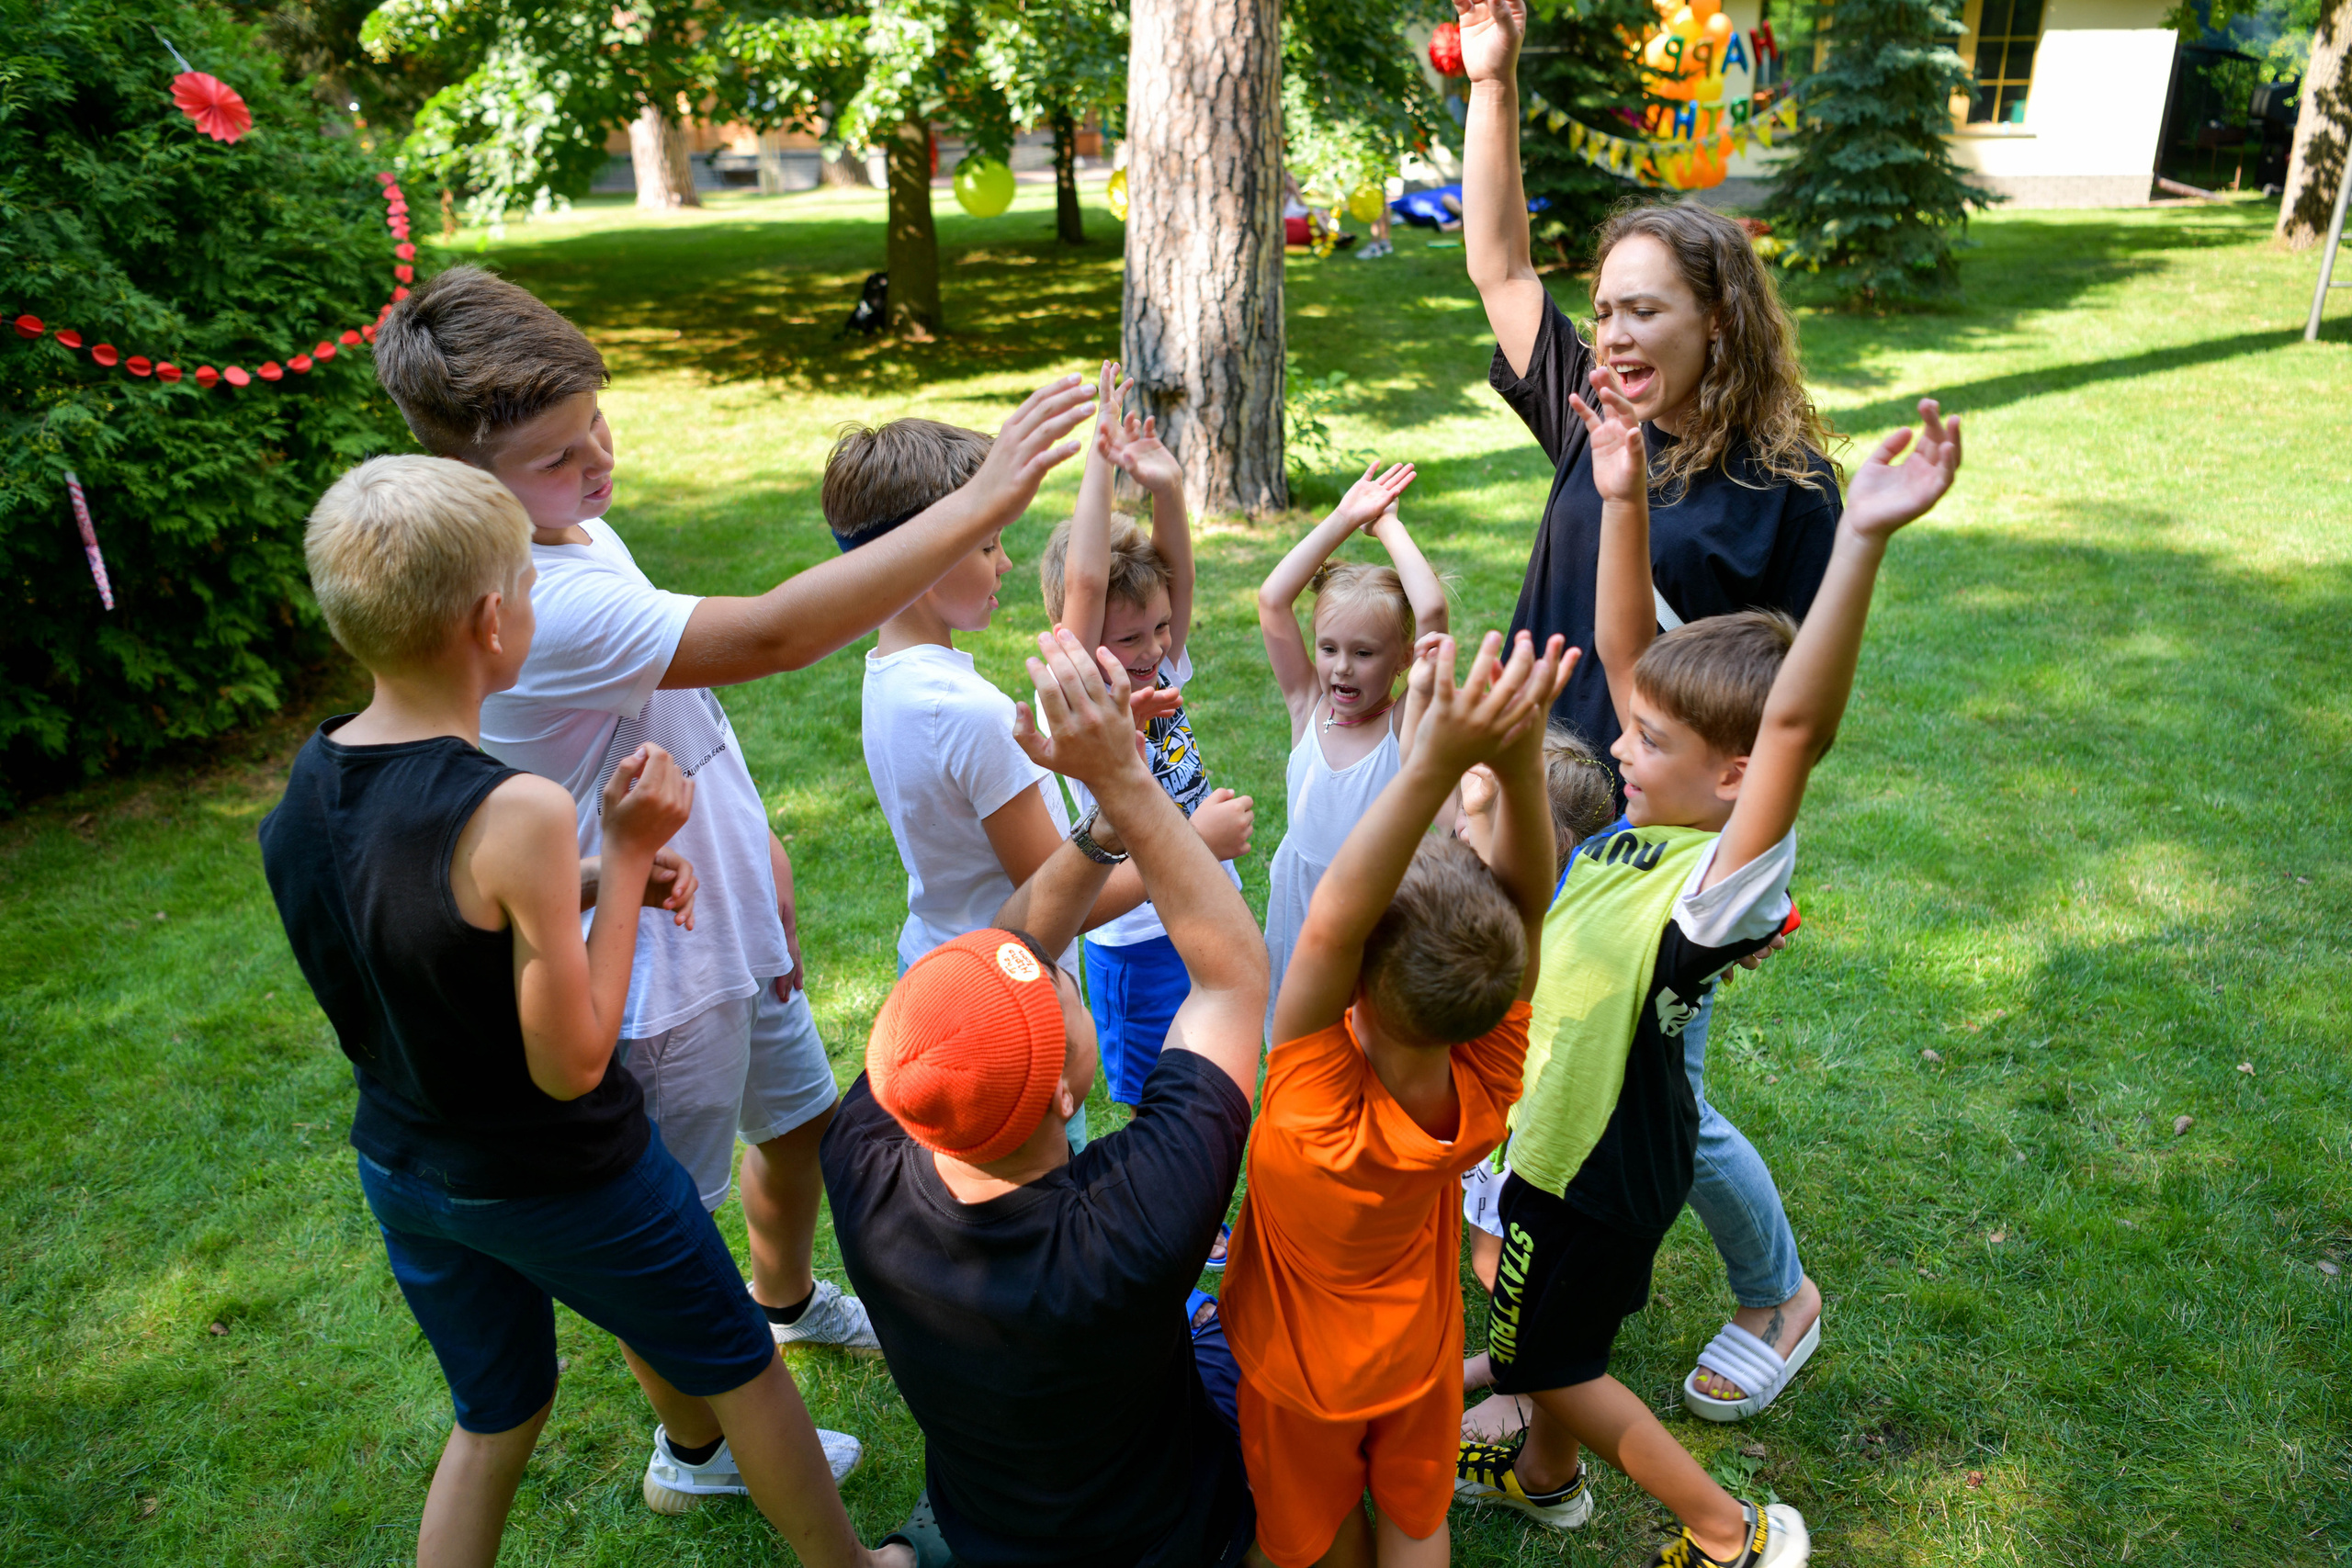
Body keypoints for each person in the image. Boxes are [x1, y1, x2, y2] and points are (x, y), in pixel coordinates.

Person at [371, 266, 1097, 1504]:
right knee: (664, 1220)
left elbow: (676, 695)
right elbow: (766, 634)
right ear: (471, 479)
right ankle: (695, 1441)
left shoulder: (568, 526)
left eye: (595, 421)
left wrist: (753, 832)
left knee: (804, 1119)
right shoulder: (544, 599)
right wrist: (977, 497)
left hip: (719, 897)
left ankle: (782, 1296)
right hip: (652, 957)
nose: (596, 462)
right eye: (557, 456)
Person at [257, 457, 900, 1568]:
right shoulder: (515, 808)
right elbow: (572, 1059)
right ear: (496, 619)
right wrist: (637, 846)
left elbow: (426, 920)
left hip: (409, 1174)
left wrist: (595, 880)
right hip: (563, 1172)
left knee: (495, 1417)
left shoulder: (307, 787)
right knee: (740, 1370)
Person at [1453, 375, 1962, 1565]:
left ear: (1733, 776)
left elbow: (1793, 727)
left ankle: (1730, 1530)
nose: (1618, 741)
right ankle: (1544, 1475)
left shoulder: (1714, 880)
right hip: (1577, 1148)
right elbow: (1632, 655)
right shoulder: (1643, 827)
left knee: (1545, 1360)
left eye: (1650, 740)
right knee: (1547, 1336)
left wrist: (1866, 542)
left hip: (1588, 1168)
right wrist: (1621, 496)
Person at [1453, 0, 1846, 1421]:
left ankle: (1777, 1286)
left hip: (1659, 817)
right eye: (1604, 307)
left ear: (1717, 318)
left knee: (1648, 1074)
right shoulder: (1592, 416)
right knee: (1537, 1036)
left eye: (1642, 309)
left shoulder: (1787, 492)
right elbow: (1497, 260)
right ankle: (1524, 1261)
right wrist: (1494, 81)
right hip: (1527, 772)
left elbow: (1791, 704)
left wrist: (1741, 843)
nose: (1609, 332)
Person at [820, 626, 1271, 1568]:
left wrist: (1101, 829)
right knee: (1245, 1335)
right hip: (1170, 1541)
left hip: (992, 1520)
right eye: (1051, 986)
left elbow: (1001, 941)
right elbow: (1230, 978)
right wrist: (1130, 785)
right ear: (1069, 1095)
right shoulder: (1131, 1225)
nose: (1040, 960)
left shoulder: (861, 1157)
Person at [1222, 629, 1572, 1568]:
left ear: (1356, 990)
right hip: (1418, 1365)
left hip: (1299, 1383)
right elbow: (1529, 906)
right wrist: (1518, 763)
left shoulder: (1312, 1097)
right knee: (1417, 1521)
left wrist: (1437, 765)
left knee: (1317, 1531)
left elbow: (1332, 917)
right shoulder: (1488, 1081)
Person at [825, 413, 1241, 1144]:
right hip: (1004, 1000)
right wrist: (1193, 844)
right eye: (987, 543)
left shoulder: (888, 676)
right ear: (922, 557)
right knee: (1037, 1192)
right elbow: (1061, 903)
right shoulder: (974, 715)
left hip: (940, 963)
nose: (1006, 562)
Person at [1041, 362, 1254, 1118]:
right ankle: (1181, 1238)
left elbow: (1178, 578)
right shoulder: (1084, 701)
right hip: (1137, 944)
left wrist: (1165, 488)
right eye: (1129, 636)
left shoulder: (1156, 664)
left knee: (1215, 1079)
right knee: (1157, 1103)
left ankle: (1206, 1228)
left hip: (1204, 906)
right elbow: (1088, 586)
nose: (1154, 648)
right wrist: (1100, 459)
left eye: (1160, 628)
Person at [1254, 459, 1443, 1039]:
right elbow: (1272, 599)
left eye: (1364, 652)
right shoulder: (1307, 705)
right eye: (1329, 647)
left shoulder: (1405, 726)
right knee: (1299, 1047)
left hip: (1376, 918)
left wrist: (1387, 525)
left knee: (1371, 1045)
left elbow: (1432, 611)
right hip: (1301, 907)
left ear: (1405, 657)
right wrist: (1344, 516)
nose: (1341, 666)